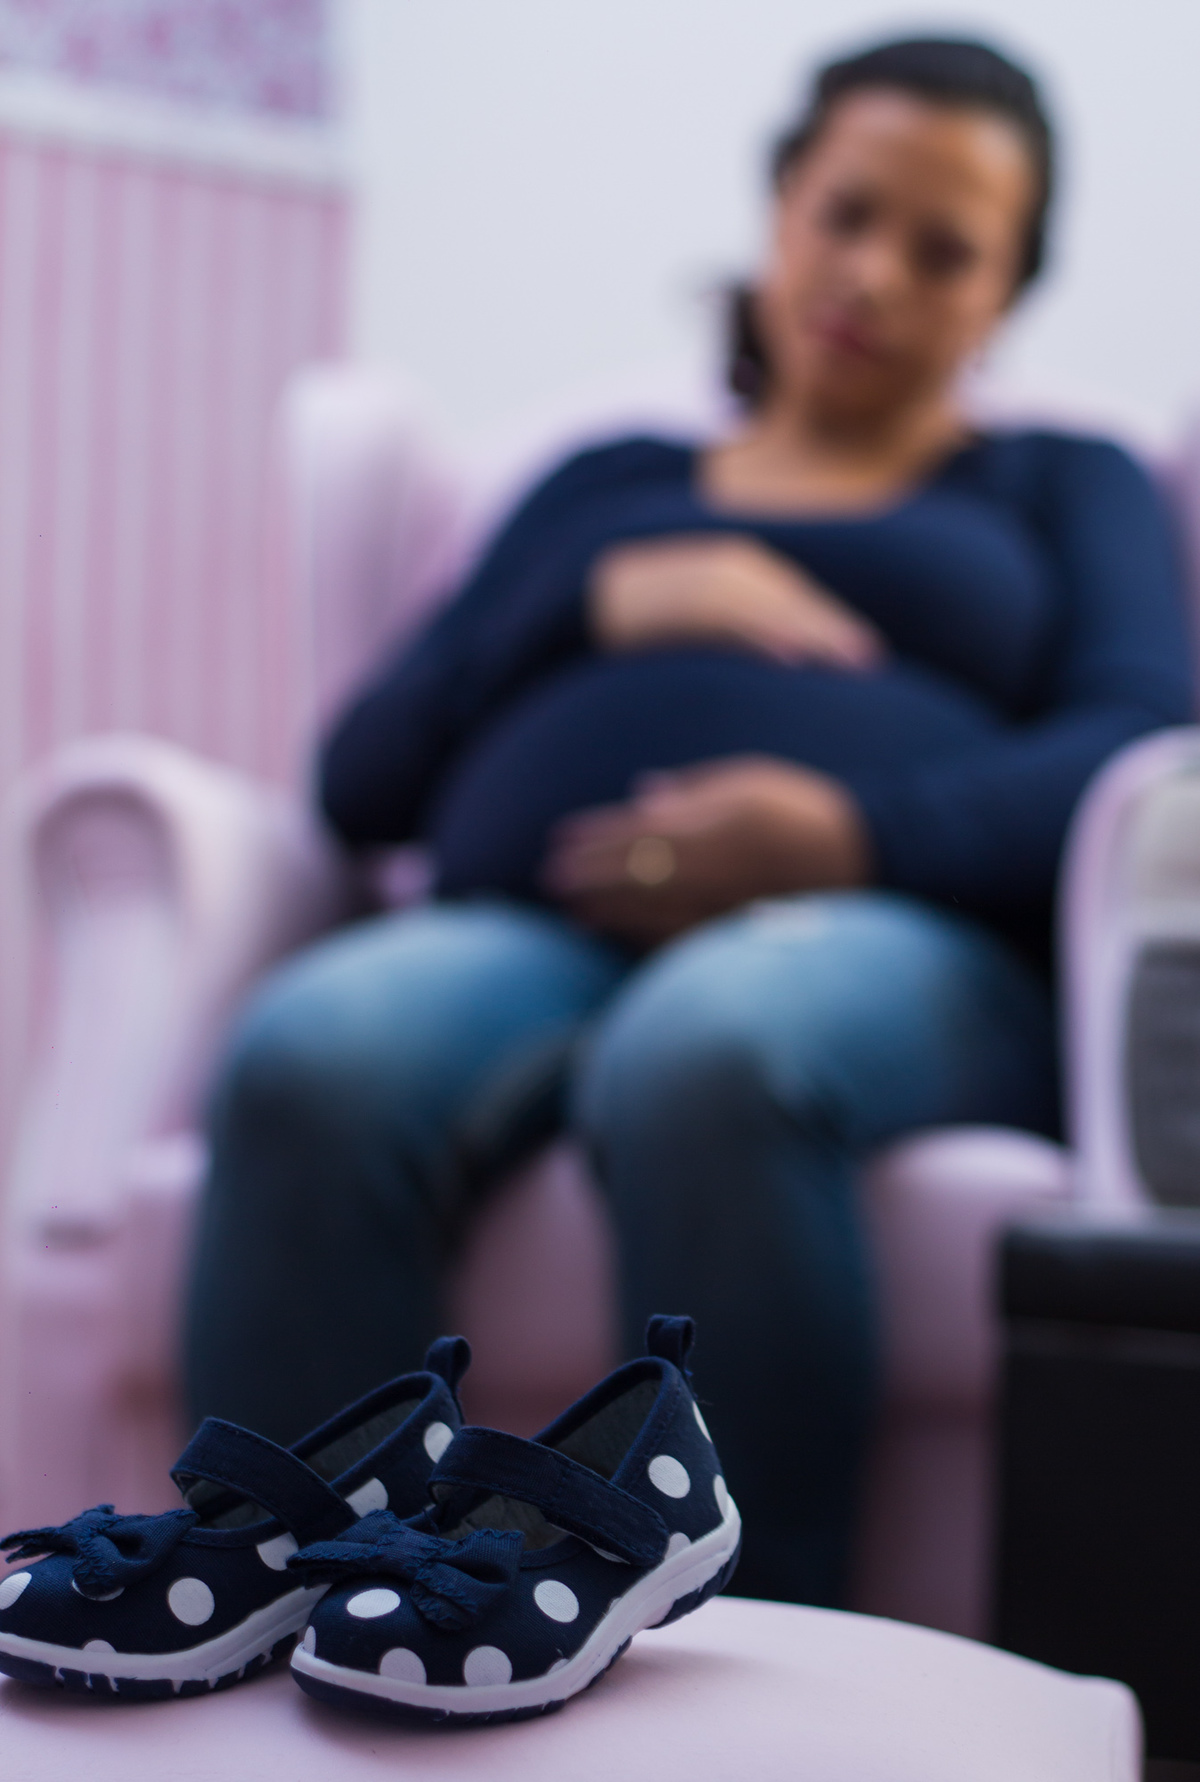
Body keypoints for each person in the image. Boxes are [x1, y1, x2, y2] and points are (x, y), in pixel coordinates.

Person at [184, 38, 1191, 1606]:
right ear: (783, 206)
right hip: (533, 931)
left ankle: (731, 1663)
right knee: (314, 1053)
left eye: (946, 252)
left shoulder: (1063, 483)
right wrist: (604, 594)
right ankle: (291, 1607)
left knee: (711, 1054)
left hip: (898, 943)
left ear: (1006, 295)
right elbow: (365, 771)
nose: (875, 273)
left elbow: (1138, 746)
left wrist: (851, 831)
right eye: (848, 213)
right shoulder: (608, 481)